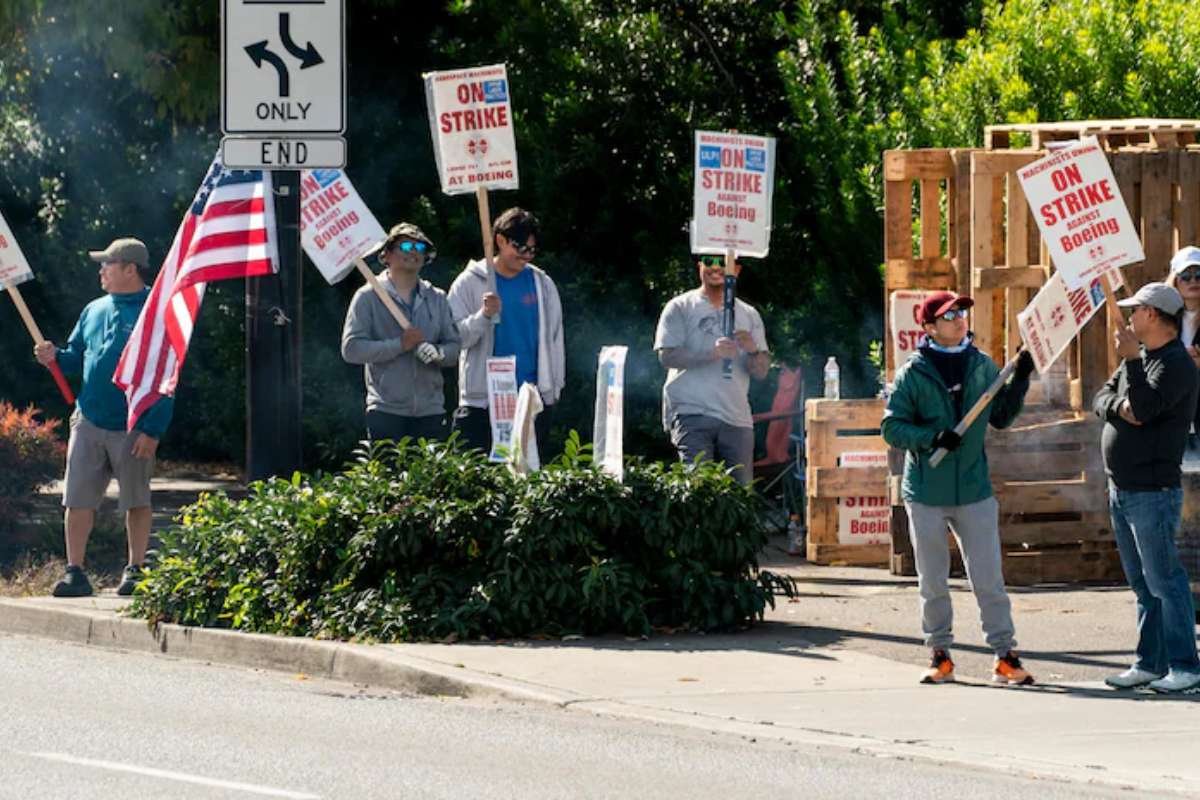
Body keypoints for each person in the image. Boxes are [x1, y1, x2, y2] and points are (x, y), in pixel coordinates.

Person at [881, 290, 1036, 685]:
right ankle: (940, 655)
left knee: (989, 578)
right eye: (949, 315)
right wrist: (933, 437)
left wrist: (1020, 378)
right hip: (926, 492)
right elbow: (891, 427)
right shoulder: (912, 373)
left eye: (961, 313)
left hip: (974, 489)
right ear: (929, 326)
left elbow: (1000, 417)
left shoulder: (983, 366)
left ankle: (1005, 656)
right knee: (932, 580)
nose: (958, 319)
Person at [34, 238, 173, 598]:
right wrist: (53, 356)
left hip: (134, 425)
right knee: (76, 498)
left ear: (130, 269)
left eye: (107, 264)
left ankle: (136, 570)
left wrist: (153, 428)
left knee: (136, 500)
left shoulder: (156, 313)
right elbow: (74, 358)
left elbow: (167, 375)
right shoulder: (93, 309)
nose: (101, 270)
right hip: (89, 419)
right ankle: (74, 573)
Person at [1094, 281, 1200, 693]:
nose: (1129, 318)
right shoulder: (1138, 360)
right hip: (1123, 488)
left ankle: (1185, 666)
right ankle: (1150, 662)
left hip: (1152, 491)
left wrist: (1128, 380)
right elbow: (1102, 398)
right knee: (1143, 583)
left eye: (1134, 311)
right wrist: (1118, 402)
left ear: (1153, 315)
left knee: (1164, 580)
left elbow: (1141, 410)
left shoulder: (1175, 365)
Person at [447, 207, 563, 454]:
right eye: (520, 248)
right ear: (499, 240)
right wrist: (483, 316)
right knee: (477, 479)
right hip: (483, 401)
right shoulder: (469, 282)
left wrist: (553, 390)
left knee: (528, 478)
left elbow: (555, 339)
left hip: (531, 398)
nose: (526, 257)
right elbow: (454, 338)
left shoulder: (542, 283)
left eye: (532, 250)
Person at [653, 254, 769, 485]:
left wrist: (753, 350)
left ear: (736, 270)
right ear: (700, 267)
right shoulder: (680, 306)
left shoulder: (749, 314)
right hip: (691, 412)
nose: (715, 268)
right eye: (709, 261)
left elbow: (762, 372)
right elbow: (666, 356)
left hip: (737, 417)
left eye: (722, 263)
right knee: (697, 490)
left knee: (740, 496)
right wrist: (711, 354)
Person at [341, 223, 460, 442]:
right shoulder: (367, 296)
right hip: (386, 412)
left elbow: (454, 348)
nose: (413, 252)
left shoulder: (437, 298)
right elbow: (351, 349)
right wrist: (399, 345)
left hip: (431, 412)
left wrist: (438, 353)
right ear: (386, 255)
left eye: (420, 248)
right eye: (405, 245)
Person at [1163, 245, 1200, 451]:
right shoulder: (1161, 317)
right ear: (1175, 281)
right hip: (1172, 416)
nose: (1193, 281)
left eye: (1199, 274)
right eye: (1186, 275)